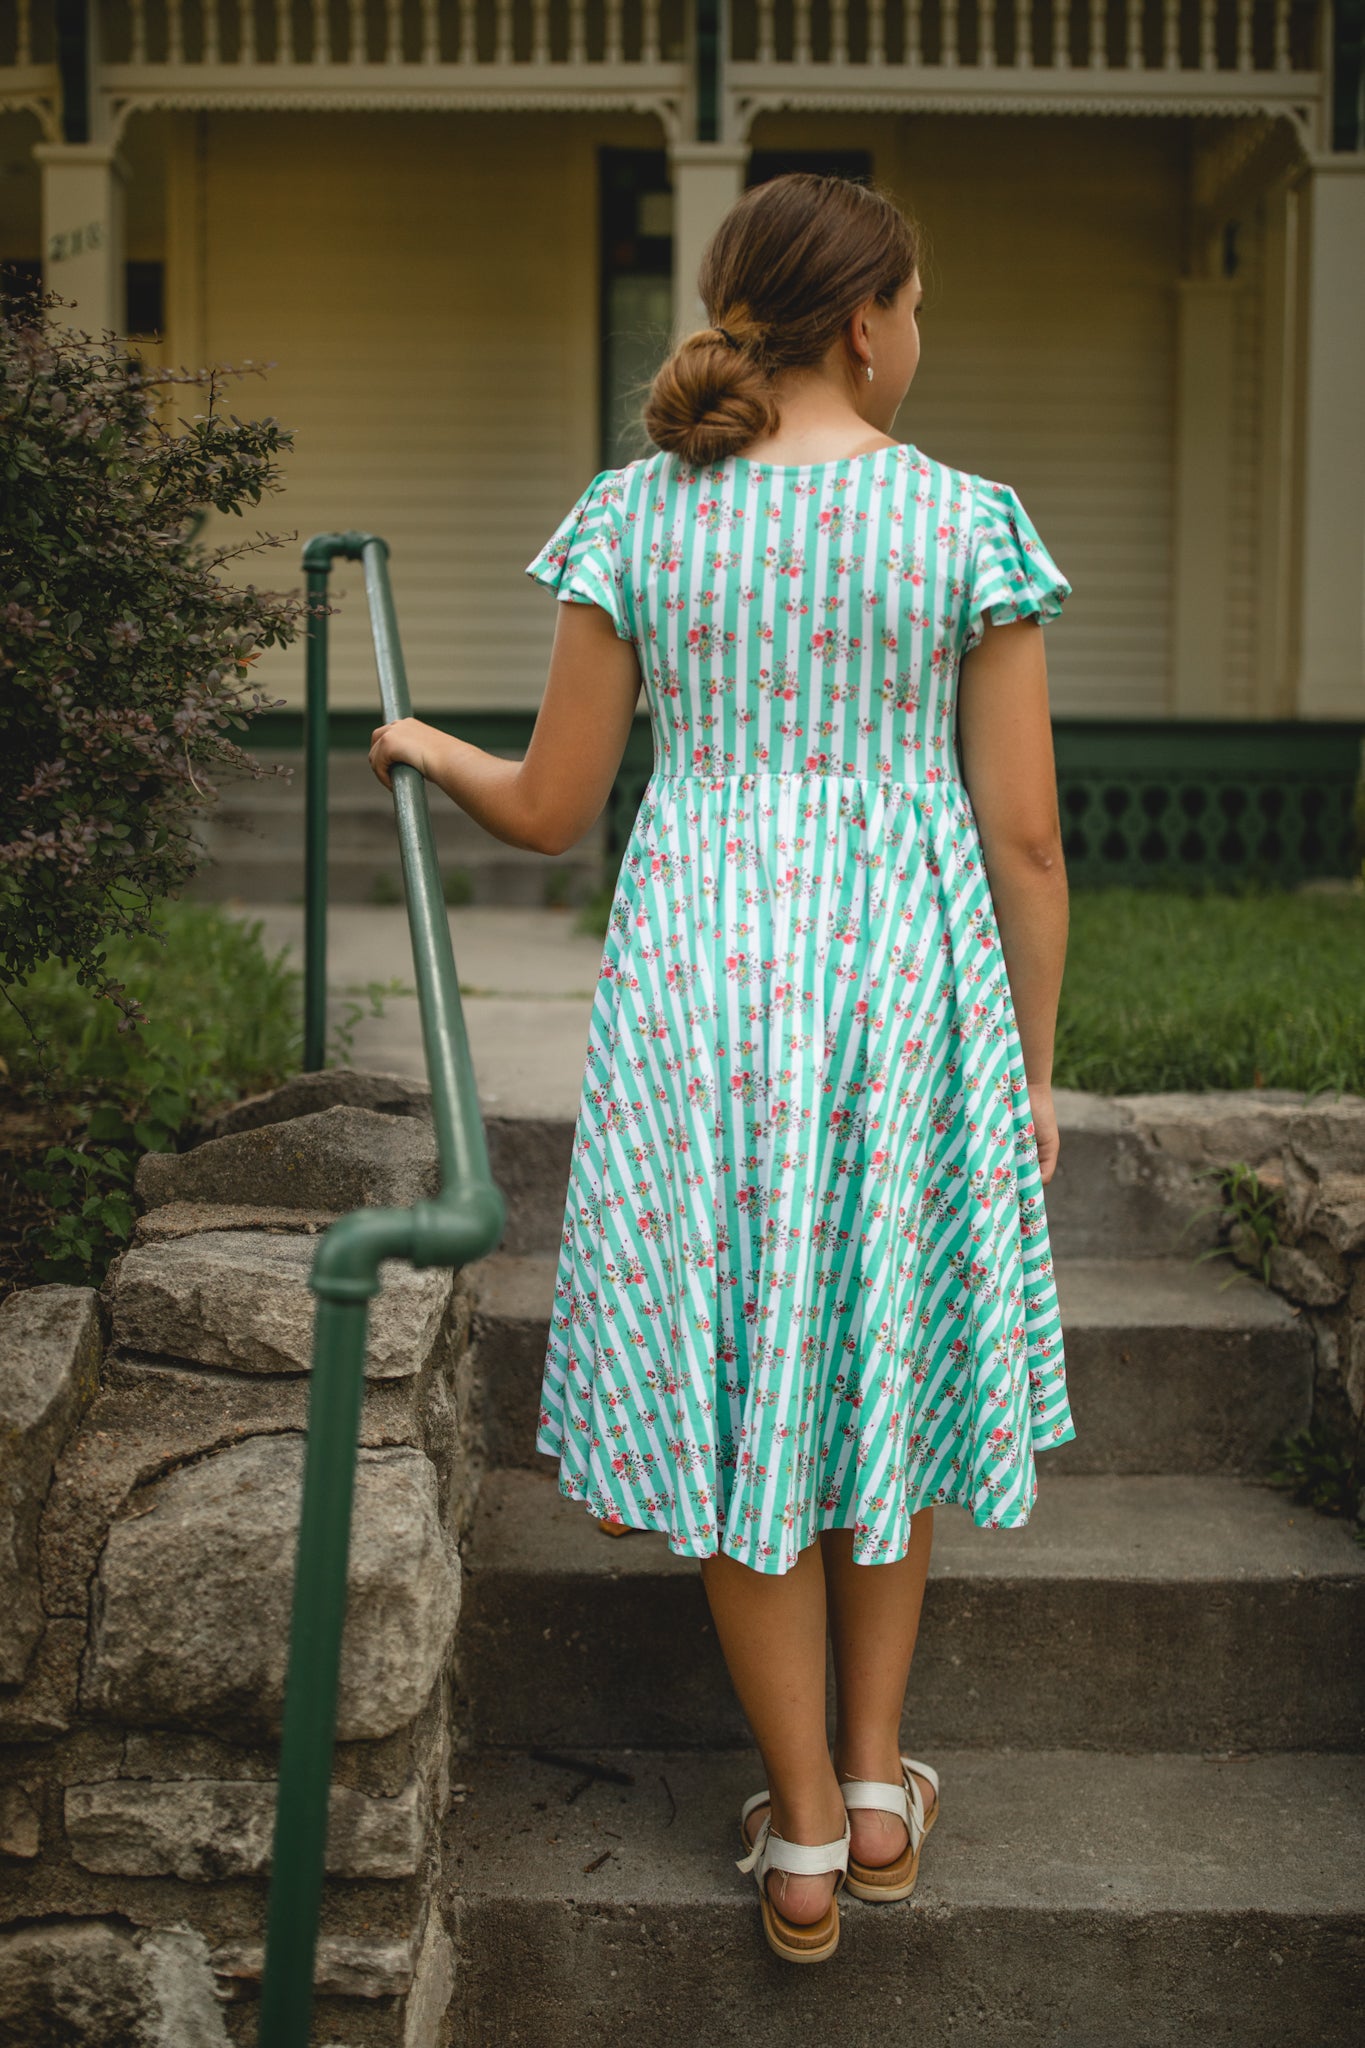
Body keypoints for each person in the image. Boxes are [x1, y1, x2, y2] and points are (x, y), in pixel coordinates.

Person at [369, 170, 1075, 1965]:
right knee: (884, 1366)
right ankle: (881, 1780)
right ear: (865, 320)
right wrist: (1034, 1072)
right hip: (910, 1002)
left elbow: (548, 812)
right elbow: (1028, 844)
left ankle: (807, 1840)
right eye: (914, 308)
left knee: (750, 1368)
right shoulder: (967, 525)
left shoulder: (636, 517)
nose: (919, 338)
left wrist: (425, 744)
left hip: (703, 1000)